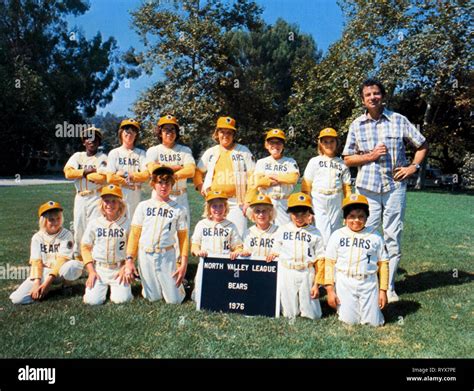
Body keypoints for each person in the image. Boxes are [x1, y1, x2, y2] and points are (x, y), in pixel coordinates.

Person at [343, 79, 428, 303]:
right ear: (363, 100)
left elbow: (422, 145)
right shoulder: (356, 125)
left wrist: (413, 167)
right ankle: (364, 282)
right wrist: (370, 156)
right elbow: (348, 159)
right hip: (367, 188)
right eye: (368, 94)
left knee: (392, 235)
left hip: (394, 188)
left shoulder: (399, 120)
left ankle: (388, 288)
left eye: (376, 93)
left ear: (383, 96)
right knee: (365, 235)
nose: (372, 97)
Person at [125, 165, 188, 304]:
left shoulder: (179, 209)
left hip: (166, 255)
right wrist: (129, 260)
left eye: (167, 183)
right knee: (153, 298)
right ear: (153, 183)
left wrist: (183, 264)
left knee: (174, 300)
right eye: (160, 182)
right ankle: (152, 285)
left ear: (172, 184)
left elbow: (183, 239)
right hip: (145, 254)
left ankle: (179, 285)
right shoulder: (143, 206)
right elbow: (135, 234)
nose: (163, 186)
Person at [324, 194, 389, 326]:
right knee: (349, 321)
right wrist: (330, 290)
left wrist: (383, 291)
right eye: (351, 216)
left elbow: (383, 265)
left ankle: (370, 311)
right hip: (345, 281)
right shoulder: (337, 235)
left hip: (368, 282)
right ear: (345, 218)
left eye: (361, 216)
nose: (356, 220)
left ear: (367, 217)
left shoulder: (375, 236)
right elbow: (329, 263)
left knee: (373, 323)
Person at [10, 201, 83, 304]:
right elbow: (36, 262)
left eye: (58, 218)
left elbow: (62, 260)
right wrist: (37, 283)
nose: (55, 222)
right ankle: (43, 292)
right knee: (17, 299)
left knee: (73, 265)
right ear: (43, 221)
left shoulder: (67, 234)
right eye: (51, 220)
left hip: (60, 272)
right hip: (44, 271)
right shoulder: (37, 237)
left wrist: (47, 284)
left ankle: (67, 285)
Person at [194, 116, 255, 237]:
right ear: (217, 133)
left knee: (238, 236)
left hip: (237, 202)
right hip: (214, 201)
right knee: (214, 236)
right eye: (222, 132)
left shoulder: (243, 151)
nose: (225, 135)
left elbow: (254, 177)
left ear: (234, 134)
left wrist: (248, 200)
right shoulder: (211, 152)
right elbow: (198, 172)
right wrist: (200, 185)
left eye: (229, 132)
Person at [272, 192, 325, 319]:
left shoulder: (315, 232)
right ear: (290, 213)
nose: (299, 217)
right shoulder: (282, 230)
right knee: (288, 313)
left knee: (313, 314)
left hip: (307, 271)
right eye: (295, 213)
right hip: (288, 271)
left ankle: (307, 307)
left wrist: (317, 284)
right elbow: (275, 252)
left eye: (303, 213)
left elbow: (320, 259)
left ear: (309, 214)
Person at [81, 185, 132, 305]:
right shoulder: (95, 223)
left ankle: (115, 290)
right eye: (106, 201)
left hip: (119, 268)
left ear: (120, 204)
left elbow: (133, 248)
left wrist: (125, 267)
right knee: (92, 301)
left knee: (122, 300)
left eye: (114, 201)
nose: (110, 204)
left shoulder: (127, 223)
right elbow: (85, 247)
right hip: (99, 269)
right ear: (101, 203)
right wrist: (91, 271)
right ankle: (102, 289)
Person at [64, 127, 108, 261]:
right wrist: (85, 172)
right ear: (84, 142)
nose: (91, 141)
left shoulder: (103, 157)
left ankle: (94, 261)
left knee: (94, 228)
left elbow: (102, 177)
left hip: (96, 196)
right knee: (78, 228)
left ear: (99, 142)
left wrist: (83, 173)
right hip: (80, 197)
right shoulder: (78, 156)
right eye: (88, 138)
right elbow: (68, 173)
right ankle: (79, 260)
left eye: (95, 138)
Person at [302, 128, 352, 246]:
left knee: (335, 230)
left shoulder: (342, 163)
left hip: (336, 198)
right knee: (321, 230)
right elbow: (306, 187)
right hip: (318, 198)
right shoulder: (315, 161)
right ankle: (322, 260)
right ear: (320, 143)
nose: (329, 144)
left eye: (332, 141)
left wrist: (348, 209)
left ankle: (332, 260)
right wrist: (307, 209)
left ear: (337, 143)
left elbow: (347, 189)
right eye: (325, 142)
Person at [190, 190, 243, 301]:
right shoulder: (202, 224)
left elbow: (238, 246)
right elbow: (194, 245)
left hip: (224, 265)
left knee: (224, 296)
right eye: (214, 206)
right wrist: (197, 251)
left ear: (226, 208)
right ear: (209, 208)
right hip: (206, 264)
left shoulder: (230, 226)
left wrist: (236, 252)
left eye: (221, 206)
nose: (218, 209)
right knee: (200, 298)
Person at [145, 115, 195, 229]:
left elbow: (191, 170)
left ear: (177, 132)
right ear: (160, 132)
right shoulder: (153, 150)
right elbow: (153, 170)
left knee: (182, 232)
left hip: (180, 196)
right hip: (159, 197)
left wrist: (163, 167)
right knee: (158, 232)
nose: (169, 132)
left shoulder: (185, 150)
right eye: (166, 129)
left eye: (173, 129)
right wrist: (177, 167)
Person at [246, 129, 299, 226]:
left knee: (283, 231)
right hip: (266, 202)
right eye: (272, 143)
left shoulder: (290, 162)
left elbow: (293, 178)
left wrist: (274, 177)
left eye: (278, 143)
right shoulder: (261, 162)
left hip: (283, 201)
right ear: (266, 145)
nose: (275, 146)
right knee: (266, 231)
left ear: (283, 145)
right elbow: (257, 181)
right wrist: (275, 181)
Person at [106, 119, 148, 218]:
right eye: (126, 131)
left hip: (135, 194)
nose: (129, 134)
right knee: (118, 223)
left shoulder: (141, 153)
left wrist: (125, 174)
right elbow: (110, 178)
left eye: (133, 131)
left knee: (134, 224)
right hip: (118, 194)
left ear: (136, 135)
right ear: (121, 133)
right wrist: (130, 180)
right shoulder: (114, 153)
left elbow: (146, 175)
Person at [241, 193, 278, 261]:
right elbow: (243, 251)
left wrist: (276, 254)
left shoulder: (278, 232)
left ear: (270, 213)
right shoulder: (247, 233)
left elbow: (284, 252)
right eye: (257, 211)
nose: (261, 214)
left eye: (264, 211)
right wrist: (244, 253)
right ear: (252, 214)